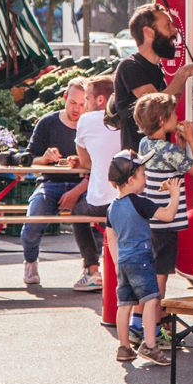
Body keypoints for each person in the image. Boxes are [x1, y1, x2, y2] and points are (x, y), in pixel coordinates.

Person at [129, 92, 193, 345]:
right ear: (163, 120)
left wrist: (180, 144)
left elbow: (171, 169)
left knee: (148, 275)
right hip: (166, 225)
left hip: (148, 221)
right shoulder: (169, 150)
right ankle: (158, 332)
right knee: (160, 278)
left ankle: (136, 326)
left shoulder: (145, 144)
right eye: (173, 115)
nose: (177, 118)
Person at [107, 150, 181, 365]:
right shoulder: (140, 202)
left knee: (125, 304)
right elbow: (168, 216)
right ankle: (150, 346)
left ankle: (124, 347)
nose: (146, 178)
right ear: (131, 180)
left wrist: (117, 261)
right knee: (152, 300)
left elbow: (111, 238)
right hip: (141, 258)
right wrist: (174, 195)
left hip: (123, 262)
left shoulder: (112, 207)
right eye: (142, 174)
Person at [20, 80, 88, 286]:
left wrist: (77, 188)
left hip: (84, 185)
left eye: (82, 104)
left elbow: (99, 165)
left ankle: (91, 268)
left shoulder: (91, 124)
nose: (77, 109)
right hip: (51, 183)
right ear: (65, 98)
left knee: (96, 220)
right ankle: (30, 261)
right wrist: (45, 159)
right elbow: (29, 159)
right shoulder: (48, 122)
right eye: (73, 103)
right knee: (33, 221)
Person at [112, 2, 193, 150]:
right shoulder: (130, 66)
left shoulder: (156, 68)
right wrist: (183, 73)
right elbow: (157, 108)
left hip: (158, 165)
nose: (174, 31)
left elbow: (167, 110)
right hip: (139, 166)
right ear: (149, 32)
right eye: (168, 25)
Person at [69, 74, 122, 292]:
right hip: (128, 198)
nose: (85, 105)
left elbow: (86, 162)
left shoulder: (86, 120)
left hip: (101, 201)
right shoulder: (126, 118)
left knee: (77, 212)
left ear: (100, 100)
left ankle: (91, 270)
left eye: (88, 99)